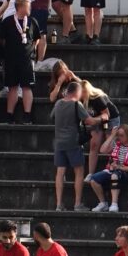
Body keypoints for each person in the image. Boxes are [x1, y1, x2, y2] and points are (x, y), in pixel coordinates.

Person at [51, 80, 100, 211]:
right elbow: (89, 121)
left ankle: (58, 204)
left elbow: (52, 116)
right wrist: (102, 118)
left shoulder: (58, 103)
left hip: (59, 142)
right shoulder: (76, 104)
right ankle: (77, 204)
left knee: (60, 172)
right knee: (79, 171)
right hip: (73, 142)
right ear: (77, 92)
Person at [88, 126, 128, 212]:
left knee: (115, 175)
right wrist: (112, 136)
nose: (119, 137)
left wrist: (119, 167)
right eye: (118, 135)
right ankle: (103, 203)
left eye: (121, 135)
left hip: (127, 172)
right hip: (113, 170)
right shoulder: (116, 144)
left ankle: (114, 204)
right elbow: (102, 150)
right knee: (94, 179)